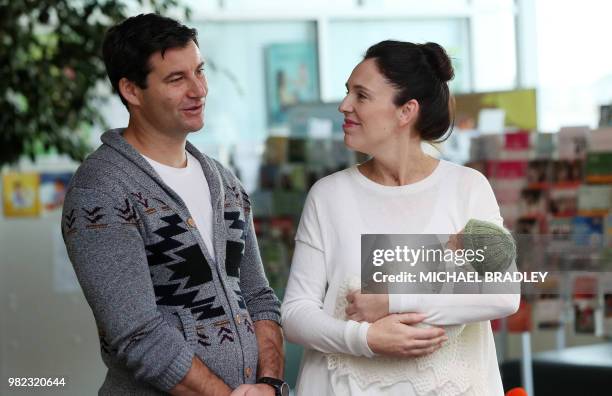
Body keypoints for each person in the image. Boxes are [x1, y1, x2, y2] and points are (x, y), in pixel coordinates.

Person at [61, 14, 288, 396]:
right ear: (132, 90)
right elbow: (138, 334)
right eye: (176, 79)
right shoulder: (102, 190)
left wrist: (270, 383)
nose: (199, 90)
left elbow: (259, 298)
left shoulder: (224, 181)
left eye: (199, 71)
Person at [281, 40, 520, 395]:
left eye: (361, 95)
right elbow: (295, 314)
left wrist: (393, 298)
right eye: (348, 92)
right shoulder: (328, 195)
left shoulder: (467, 188)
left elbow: (503, 294)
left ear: (406, 111)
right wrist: (366, 338)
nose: (344, 105)